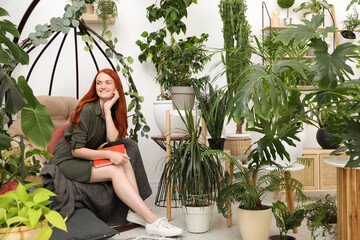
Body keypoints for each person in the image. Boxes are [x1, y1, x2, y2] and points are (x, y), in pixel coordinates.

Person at [49, 68, 183, 237]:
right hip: (65, 160)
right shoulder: (87, 109)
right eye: (99, 83)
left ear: (116, 87)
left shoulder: (110, 109)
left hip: (82, 156)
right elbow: (76, 151)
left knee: (124, 159)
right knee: (114, 168)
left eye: (107, 82)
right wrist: (108, 155)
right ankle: (152, 220)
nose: (102, 86)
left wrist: (107, 110)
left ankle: (136, 210)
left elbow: (112, 139)